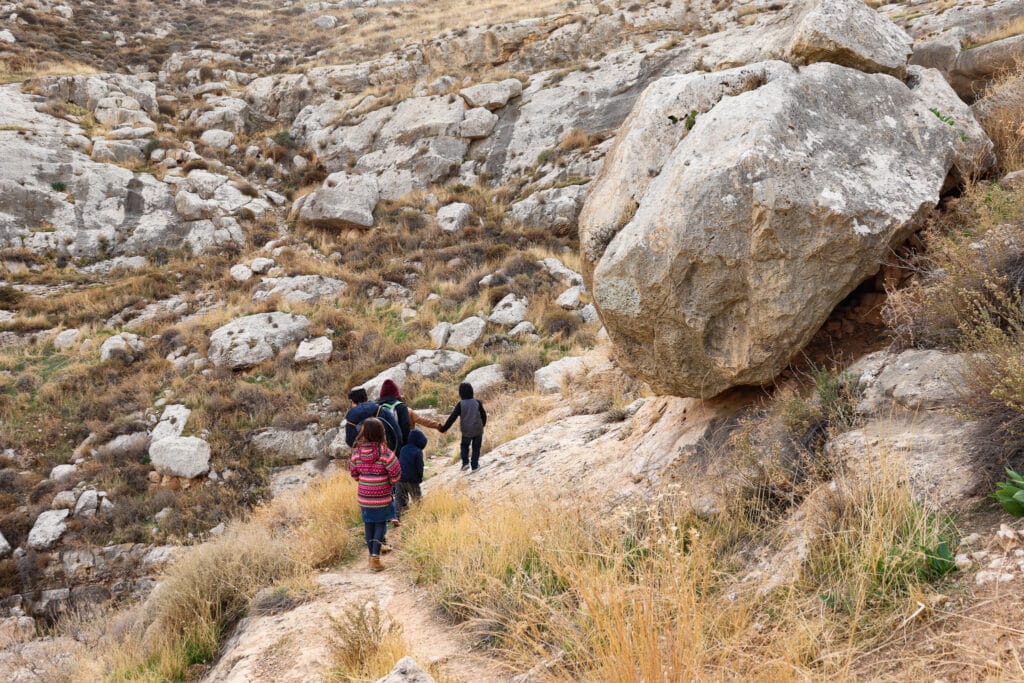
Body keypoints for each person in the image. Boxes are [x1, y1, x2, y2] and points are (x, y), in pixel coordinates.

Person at [349, 417, 401, 572]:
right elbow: (396, 473)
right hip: (382, 497)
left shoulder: (357, 453)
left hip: (364, 497)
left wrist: (364, 480)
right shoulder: (385, 453)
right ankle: (374, 558)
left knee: (368, 525)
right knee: (380, 525)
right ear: (381, 433)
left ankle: (371, 555)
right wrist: (390, 482)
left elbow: (354, 473)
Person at [440, 382, 487, 472]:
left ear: (460, 393)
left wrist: (444, 428)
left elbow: (452, 417)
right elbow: (484, 415)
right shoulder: (477, 402)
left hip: (466, 431)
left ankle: (465, 463)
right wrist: (483, 424)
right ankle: (475, 466)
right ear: (472, 391)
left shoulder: (461, 404)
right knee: (476, 447)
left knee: (464, 446)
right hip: (478, 429)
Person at [345, 387, 401, 453]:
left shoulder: (351, 418)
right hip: (384, 454)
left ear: (352, 401)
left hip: (362, 458)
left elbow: (350, 441)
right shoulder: (382, 410)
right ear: (366, 398)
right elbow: (397, 434)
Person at [396, 428, 427, 514]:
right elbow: (420, 466)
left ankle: (398, 516)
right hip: (412, 480)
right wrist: (420, 478)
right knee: (417, 499)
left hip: (399, 478)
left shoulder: (403, 449)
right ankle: (419, 515)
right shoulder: (418, 452)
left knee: (400, 499)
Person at [377, 379, 411, 447]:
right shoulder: (401, 407)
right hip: (397, 445)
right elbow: (406, 427)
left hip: (380, 447)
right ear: (396, 392)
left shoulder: (376, 407)